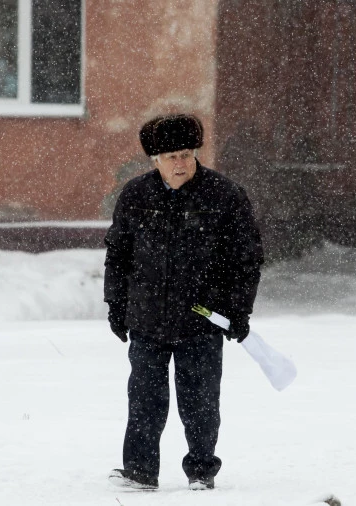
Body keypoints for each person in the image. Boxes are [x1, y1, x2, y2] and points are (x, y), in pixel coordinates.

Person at [104, 113, 264, 491]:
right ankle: (140, 472)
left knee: (201, 402)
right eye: (172, 156)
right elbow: (118, 255)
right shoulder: (136, 196)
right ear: (155, 160)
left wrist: (238, 309)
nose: (180, 163)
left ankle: (201, 472)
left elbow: (247, 258)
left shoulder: (224, 195)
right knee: (144, 400)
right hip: (147, 316)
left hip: (201, 318)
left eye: (186, 154)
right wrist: (116, 305)